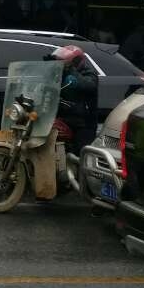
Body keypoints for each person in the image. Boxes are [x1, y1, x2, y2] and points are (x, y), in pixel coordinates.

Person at [31, 44, 99, 200]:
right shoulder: (60, 74)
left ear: (75, 62)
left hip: (83, 123)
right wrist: (49, 66)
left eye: (62, 62)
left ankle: (91, 192)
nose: (60, 65)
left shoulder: (88, 74)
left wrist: (70, 70)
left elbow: (88, 85)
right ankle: (52, 179)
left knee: (83, 156)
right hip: (64, 118)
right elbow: (44, 88)